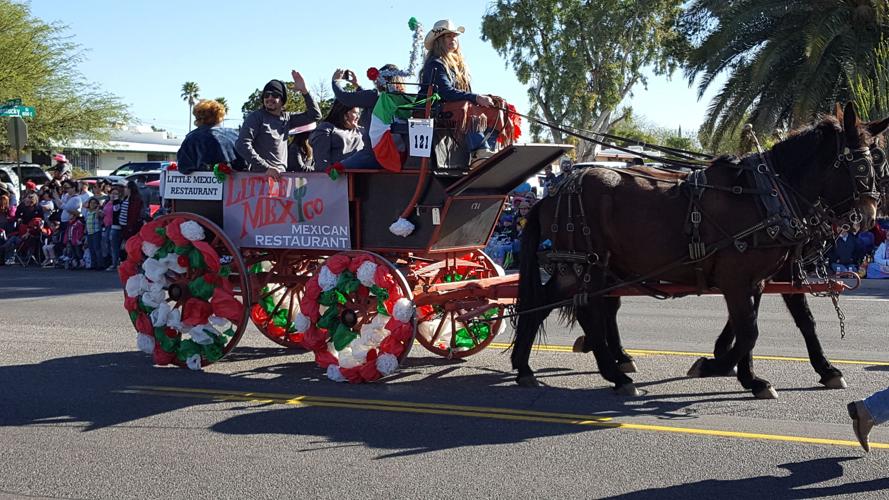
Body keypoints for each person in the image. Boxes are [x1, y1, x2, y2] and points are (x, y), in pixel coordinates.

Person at [236, 71, 322, 177]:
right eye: (266, 95)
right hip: (260, 178)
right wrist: (265, 168)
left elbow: (315, 115)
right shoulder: (256, 117)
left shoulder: (287, 118)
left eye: (275, 95)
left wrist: (304, 91)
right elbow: (242, 144)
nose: (270, 98)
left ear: (282, 100)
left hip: (282, 178)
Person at [329, 64, 405, 169]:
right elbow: (368, 100)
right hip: (399, 156)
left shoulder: (374, 97)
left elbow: (345, 98)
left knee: (335, 170)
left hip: (374, 155)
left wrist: (335, 82)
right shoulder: (403, 99)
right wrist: (357, 86)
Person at [420, 20, 494, 107]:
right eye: (448, 36)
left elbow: (466, 92)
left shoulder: (460, 66)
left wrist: (479, 98)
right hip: (436, 113)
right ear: (439, 41)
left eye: (455, 36)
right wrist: (476, 98)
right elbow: (446, 92)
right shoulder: (435, 63)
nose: (453, 39)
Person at [177, 99, 242, 174]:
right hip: (239, 179)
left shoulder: (192, 138)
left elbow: (184, 167)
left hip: (204, 180)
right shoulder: (234, 134)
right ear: (219, 115)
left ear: (197, 117)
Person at [310, 102, 366, 172]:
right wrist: (336, 176)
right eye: (355, 113)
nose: (358, 117)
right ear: (344, 114)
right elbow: (322, 164)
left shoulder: (361, 131)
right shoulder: (325, 129)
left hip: (363, 176)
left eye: (359, 113)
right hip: (337, 177)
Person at [105, 185, 123, 271]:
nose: (113, 195)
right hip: (107, 225)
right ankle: (112, 261)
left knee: (114, 246)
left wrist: (116, 200)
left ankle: (115, 263)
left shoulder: (119, 203)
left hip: (116, 226)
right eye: (112, 193)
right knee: (108, 244)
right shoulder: (107, 202)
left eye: (116, 194)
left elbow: (116, 211)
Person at [83, 197, 103, 270]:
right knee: (91, 249)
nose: (92, 204)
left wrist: (97, 208)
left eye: (94, 203)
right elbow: (86, 222)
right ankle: (93, 264)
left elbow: (99, 216)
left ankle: (100, 264)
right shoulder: (88, 212)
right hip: (89, 232)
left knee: (97, 248)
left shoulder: (99, 211)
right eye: (91, 203)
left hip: (96, 231)